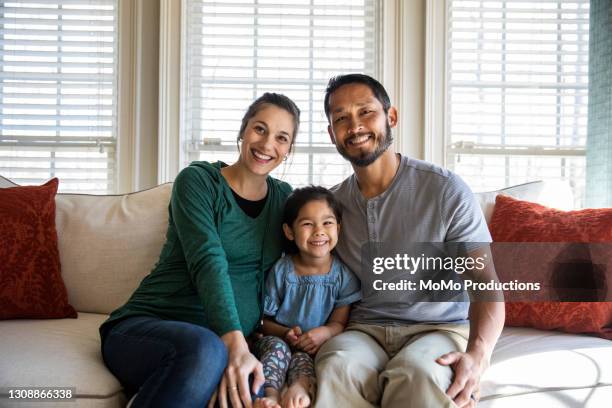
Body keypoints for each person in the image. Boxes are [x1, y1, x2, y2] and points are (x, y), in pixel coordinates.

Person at [314, 74, 505, 408]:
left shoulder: (444, 190)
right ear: (332, 135)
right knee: (337, 366)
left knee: (418, 373)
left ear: (392, 118)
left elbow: (485, 283)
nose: (355, 126)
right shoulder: (332, 209)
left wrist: (478, 356)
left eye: (365, 112)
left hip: (438, 328)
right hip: (364, 330)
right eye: (341, 118)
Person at [99, 93, 300, 408]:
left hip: (224, 345)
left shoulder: (284, 200)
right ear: (243, 131)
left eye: (281, 137)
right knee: (205, 351)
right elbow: (208, 261)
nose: (267, 143)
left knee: (254, 393)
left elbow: (312, 252)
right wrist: (233, 343)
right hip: (148, 329)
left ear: (288, 150)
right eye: (259, 129)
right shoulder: (198, 181)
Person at [253, 186, 361, 408]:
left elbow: (339, 323)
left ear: (338, 228)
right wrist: (284, 332)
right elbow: (263, 321)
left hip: (312, 347)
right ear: (290, 231)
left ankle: (300, 387)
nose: (319, 231)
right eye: (307, 224)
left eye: (327, 223)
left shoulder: (343, 276)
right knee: (277, 350)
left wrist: (325, 333)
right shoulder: (282, 270)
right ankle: (271, 395)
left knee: (305, 360)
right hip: (278, 340)